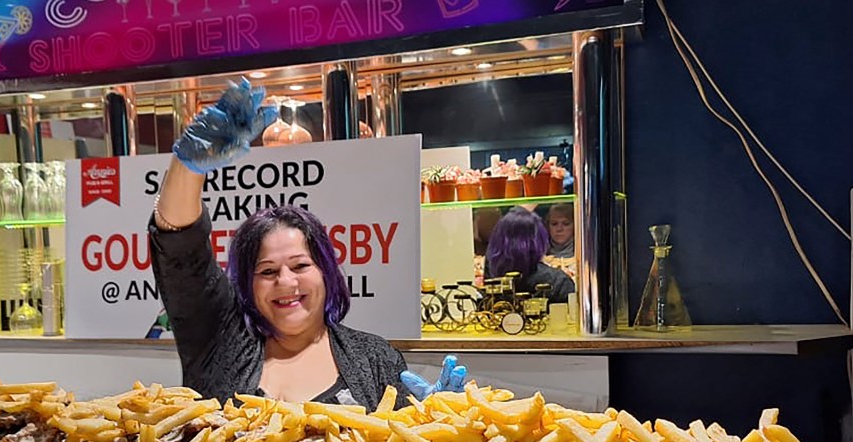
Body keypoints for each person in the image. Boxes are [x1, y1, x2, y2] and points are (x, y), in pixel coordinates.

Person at [149, 79, 465, 409]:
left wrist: (433, 419)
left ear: (327, 273)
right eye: (267, 271)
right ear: (248, 284)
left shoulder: (375, 360)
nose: (286, 282)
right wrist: (186, 169)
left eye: (300, 265)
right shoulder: (217, 339)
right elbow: (180, 250)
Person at [485, 207, 574, 303]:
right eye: (554, 224)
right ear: (539, 241)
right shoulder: (558, 283)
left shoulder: (490, 280)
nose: (559, 229)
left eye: (565, 223)